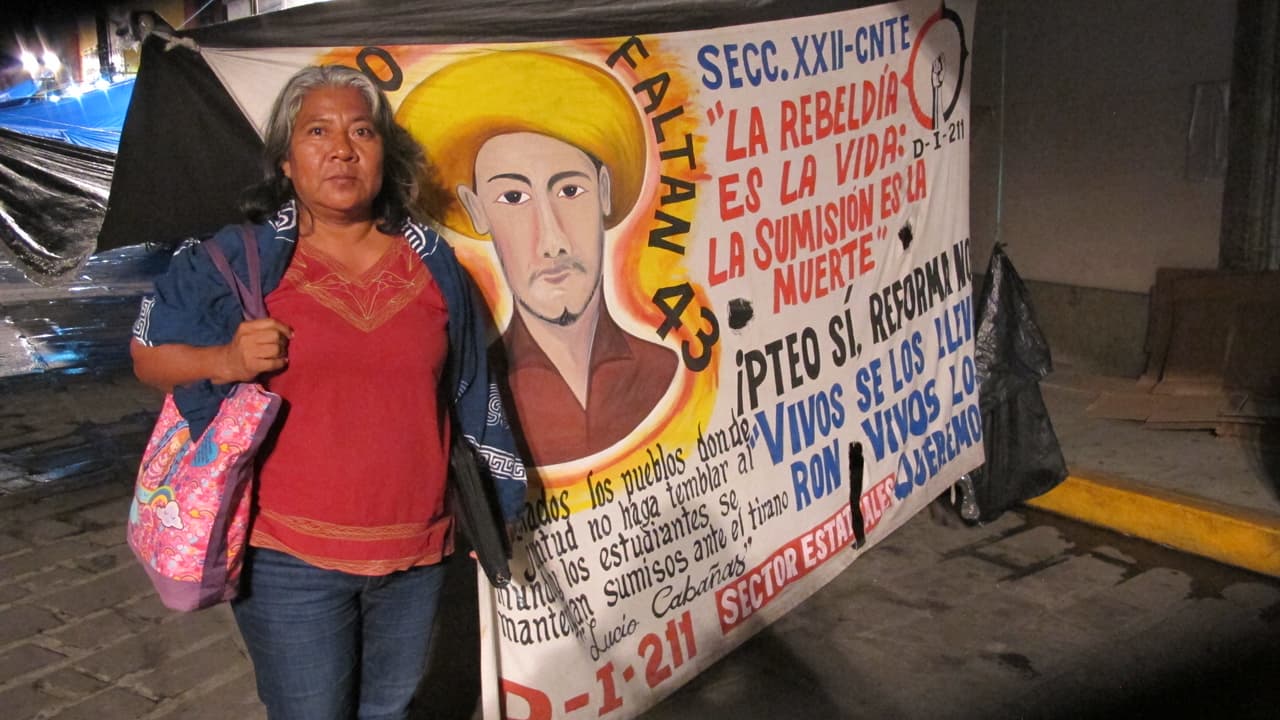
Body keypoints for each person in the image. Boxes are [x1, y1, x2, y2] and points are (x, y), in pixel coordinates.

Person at [130, 64, 526, 720]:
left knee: (390, 711)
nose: (341, 149)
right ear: (286, 161)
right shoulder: (241, 260)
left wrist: (494, 507)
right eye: (317, 131)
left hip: (416, 555)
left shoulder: (434, 264)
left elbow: (469, 392)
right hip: (288, 562)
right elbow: (148, 356)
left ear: (383, 155)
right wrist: (226, 358)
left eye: (361, 132)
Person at [397, 51, 678, 466]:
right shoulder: (481, 398)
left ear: (603, 191)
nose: (552, 241)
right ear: (476, 210)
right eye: (513, 197)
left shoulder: (661, 369)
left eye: (569, 191)